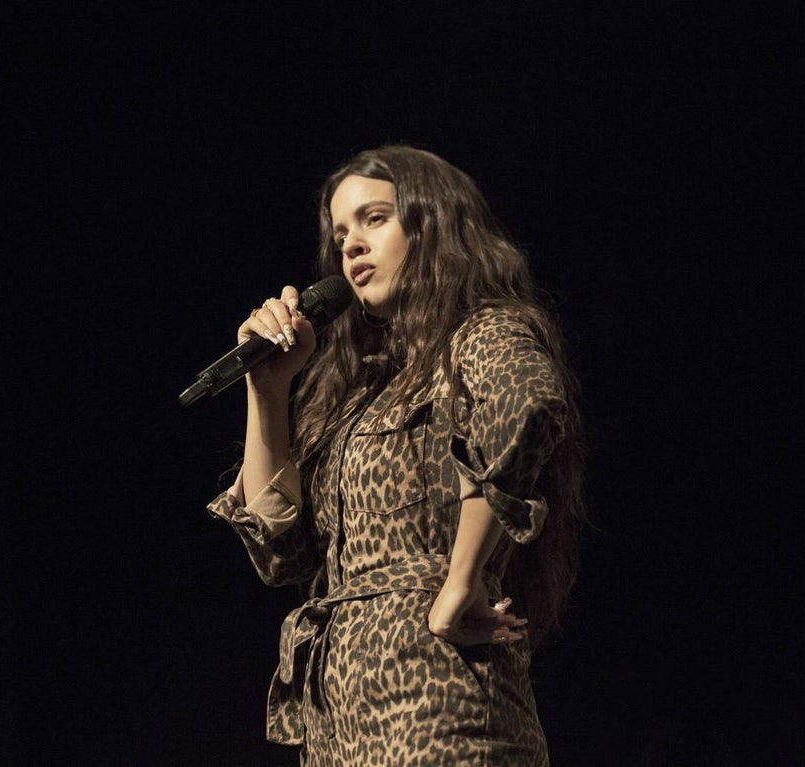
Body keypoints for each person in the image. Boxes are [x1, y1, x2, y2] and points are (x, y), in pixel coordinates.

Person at [206, 145, 586, 766]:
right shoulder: (355, 395)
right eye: (341, 233)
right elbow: (283, 554)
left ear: (433, 223)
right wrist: (268, 389)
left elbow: (529, 404)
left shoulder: (479, 332)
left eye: (375, 218)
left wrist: (461, 580)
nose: (352, 244)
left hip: (441, 703)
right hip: (339, 721)